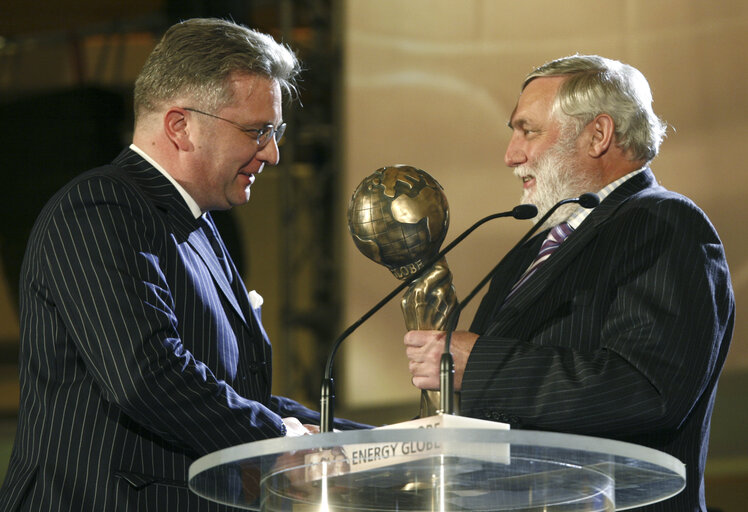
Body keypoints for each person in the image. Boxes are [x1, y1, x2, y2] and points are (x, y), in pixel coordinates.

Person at [0, 18, 363, 512]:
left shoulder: (197, 227)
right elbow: (147, 372)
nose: (273, 154)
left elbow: (234, 393)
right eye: (259, 131)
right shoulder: (100, 207)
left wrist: (370, 441)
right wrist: (281, 438)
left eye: (274, 132)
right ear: (180, 125)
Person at [404, 55, 734, 511]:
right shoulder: (534, 246)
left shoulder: (664, 223)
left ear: (598, 135)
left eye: (528, 130)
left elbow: (644, 388)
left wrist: (479, 365)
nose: (510, 154)